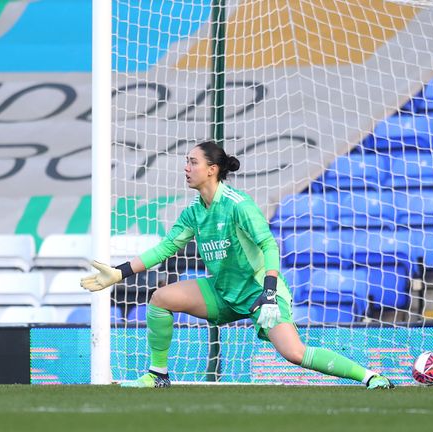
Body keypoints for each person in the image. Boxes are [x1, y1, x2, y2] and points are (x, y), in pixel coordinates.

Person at [81, 140, 394, 389]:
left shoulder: (238, 205)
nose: (186, 167)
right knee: (161, 299)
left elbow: (269, 245)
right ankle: (158, 375)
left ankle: (370, 377)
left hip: (260, 294)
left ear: (212, 169)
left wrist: (269, 291)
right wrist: (119, 272)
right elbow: (166, 248)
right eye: (186, 161)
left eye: (193, 162)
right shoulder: (194, 211)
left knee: (295, 353)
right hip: (222, 292)